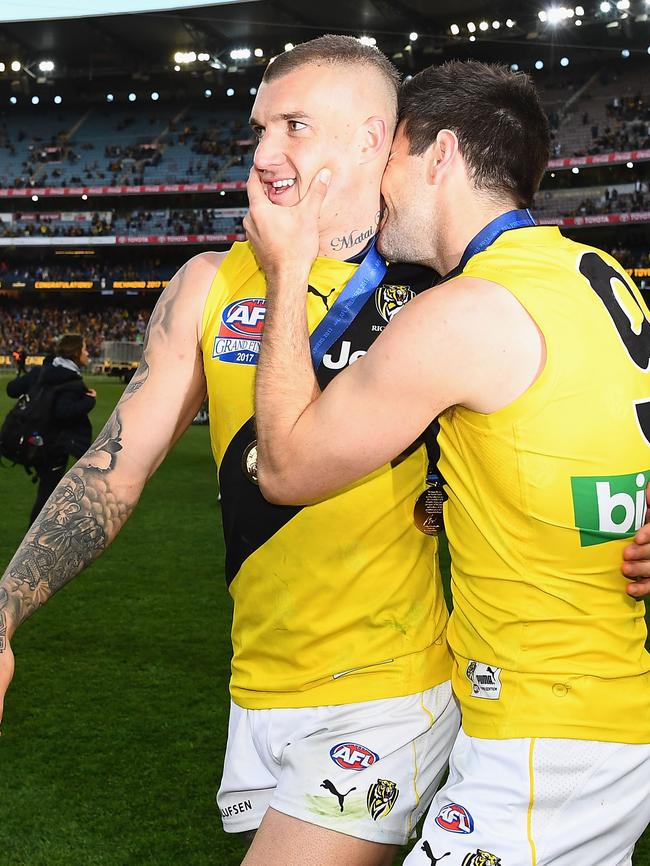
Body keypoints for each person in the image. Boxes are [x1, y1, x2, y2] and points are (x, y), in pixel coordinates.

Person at [0, 42, 648, 866]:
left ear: (376, 141)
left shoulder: (448, 289)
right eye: (260, 128)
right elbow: (112, 468)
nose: (266, 152)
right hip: (262, 685)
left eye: (296, 126)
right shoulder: (207, 284)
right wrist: (6, 607)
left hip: (394, 690)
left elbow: (588, 396)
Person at [246, 59, 650, 864]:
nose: (378, 185)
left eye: (388, 158)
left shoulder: (463, 310)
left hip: (547, 733)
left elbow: (286, 469)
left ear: (440, 157)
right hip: (596, 712)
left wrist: (287, 273)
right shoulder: (596, 274)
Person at [6, 334, 97, 525]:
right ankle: (34, 545)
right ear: (76, 353)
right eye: (85, 349)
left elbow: (12, 389)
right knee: (47, 499)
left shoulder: (41, 372)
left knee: (47, 497)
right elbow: (63, 412)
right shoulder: (73, 383)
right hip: (53, 447)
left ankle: (37, 540)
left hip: (32, 440)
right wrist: (89, 401)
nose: (88, 353)